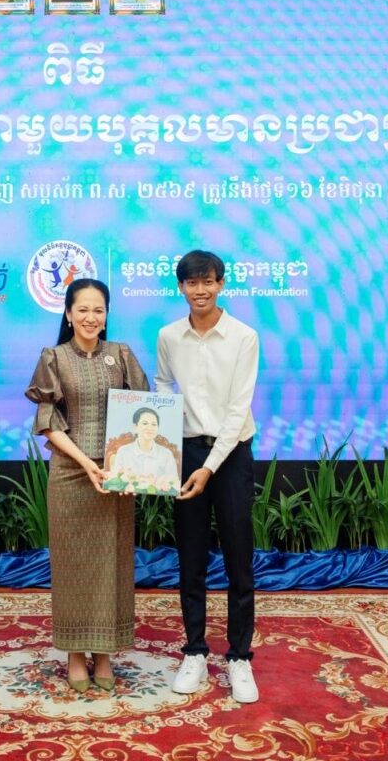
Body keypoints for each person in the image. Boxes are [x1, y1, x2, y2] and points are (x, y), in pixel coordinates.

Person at [25, 278, 149, 693]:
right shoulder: (54, 357)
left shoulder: (122, 354)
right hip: (70, 472)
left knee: (112, 564)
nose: (91, 317)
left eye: (98, 310)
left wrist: (131, 468)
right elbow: (48, 423)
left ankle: (106, 651)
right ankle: (75, 653)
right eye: (83, 309)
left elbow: (145, 412)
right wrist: (85, 463)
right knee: (72, 565)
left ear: (107, 315)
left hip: (115, 475)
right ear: (68, 314)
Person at [155, 250, 260, 704]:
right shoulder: (168, 336)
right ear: (181, 287)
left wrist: (209, 467)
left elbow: (237, 412)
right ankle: (195, 651)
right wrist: (167, 442)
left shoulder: (244, 337)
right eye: (191, 283)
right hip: (188, 452)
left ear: (221, 284)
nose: (200, 290)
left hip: (231, 454)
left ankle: (239, 657)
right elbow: (162, 385)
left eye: (208, 281)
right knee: (191, 557)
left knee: (239, 557)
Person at [111, 407, 180, 488]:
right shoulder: (123, 451)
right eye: (145, 423)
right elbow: (117, 480)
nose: (150, 428)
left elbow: (174, 483)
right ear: (135, 427)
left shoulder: (166, 454)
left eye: (154, 424)